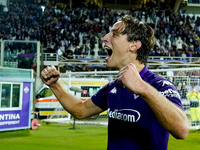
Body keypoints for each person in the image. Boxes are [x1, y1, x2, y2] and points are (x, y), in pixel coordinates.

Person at [41, 15, 189, 150]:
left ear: (134, 45)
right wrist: (54, 85)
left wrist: (143, 88)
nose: (104, 38)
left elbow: (182, 130)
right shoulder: (113, 87)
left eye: (114, 34)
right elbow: (80, 110)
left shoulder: (159, 85)